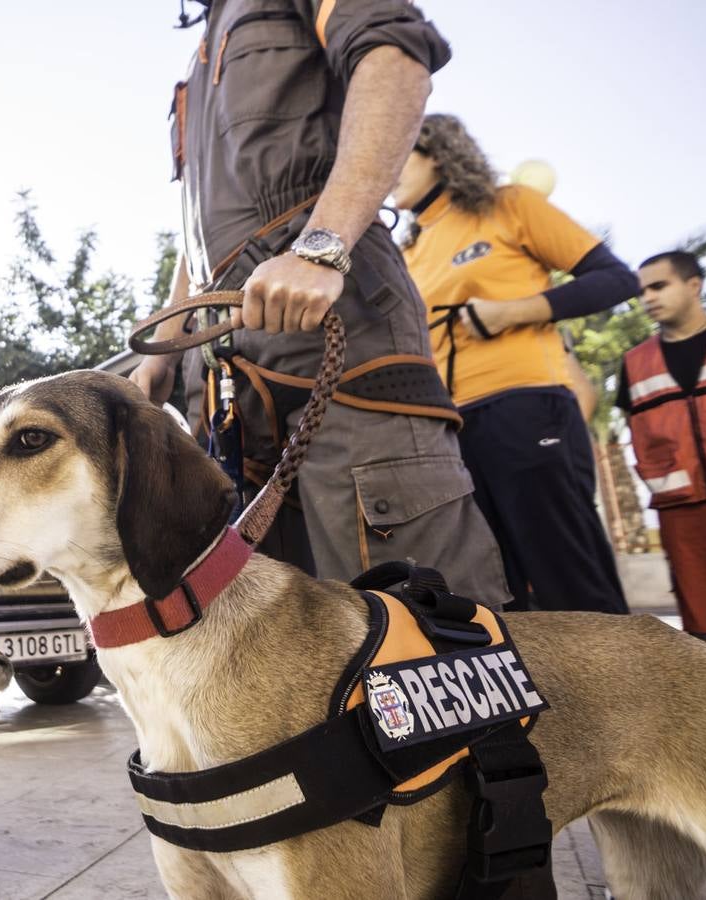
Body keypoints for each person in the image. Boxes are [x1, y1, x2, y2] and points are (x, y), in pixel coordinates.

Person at [130, 1, 509, 610]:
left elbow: (395, 59)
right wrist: (168, 352)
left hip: (343, 345)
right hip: (231, 389)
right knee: (280, 646)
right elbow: (199, 234)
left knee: (416, 634)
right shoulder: (200, 58)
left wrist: (322, 245)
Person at [390, 114, 634, 615]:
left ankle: (631, 691)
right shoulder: (407, 252)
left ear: (437, 153)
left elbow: (615, 279)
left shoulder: (509, 206)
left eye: (398, 152)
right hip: (448, 434)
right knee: (496, 592)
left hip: (524, 407)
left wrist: (512, 312)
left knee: (567, 577)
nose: (384, 167)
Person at [616, 251, 706, 659]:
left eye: (659, 286)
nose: (649, 297)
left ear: (694, 285)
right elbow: (638, 434)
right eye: (642, 291)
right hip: (685, 513)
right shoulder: (635, 364)